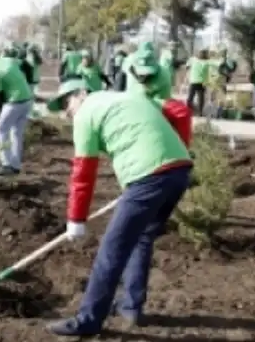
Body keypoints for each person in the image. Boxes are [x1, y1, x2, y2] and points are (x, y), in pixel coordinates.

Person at [44, 79, 193, 337]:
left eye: (67, 102)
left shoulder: (86, 114)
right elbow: (181, 112)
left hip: (150, 176)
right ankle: (130, 308)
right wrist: (174, 156)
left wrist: (76, 218)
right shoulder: (130, 97)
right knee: (142, 238)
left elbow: (83, 172)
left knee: (111, 250)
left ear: (82, 93)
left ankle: (88, 320)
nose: (67, 111)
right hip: (179, 170)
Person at [0, 53, 33, 175]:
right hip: (27, 99)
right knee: (16, 133)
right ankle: (15, 166)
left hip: (14, 102)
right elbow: (27, 65)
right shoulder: (7, 60)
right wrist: (27, 81)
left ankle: (6, 165)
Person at [185, 49, 210, 115]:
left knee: (191, 97)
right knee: (200, 98)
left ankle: (189, 110)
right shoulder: (207, 61)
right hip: (201, 82)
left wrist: (188, 74)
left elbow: (187, 67)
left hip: (194, 81)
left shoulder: (193, 59)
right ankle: (199, 112)